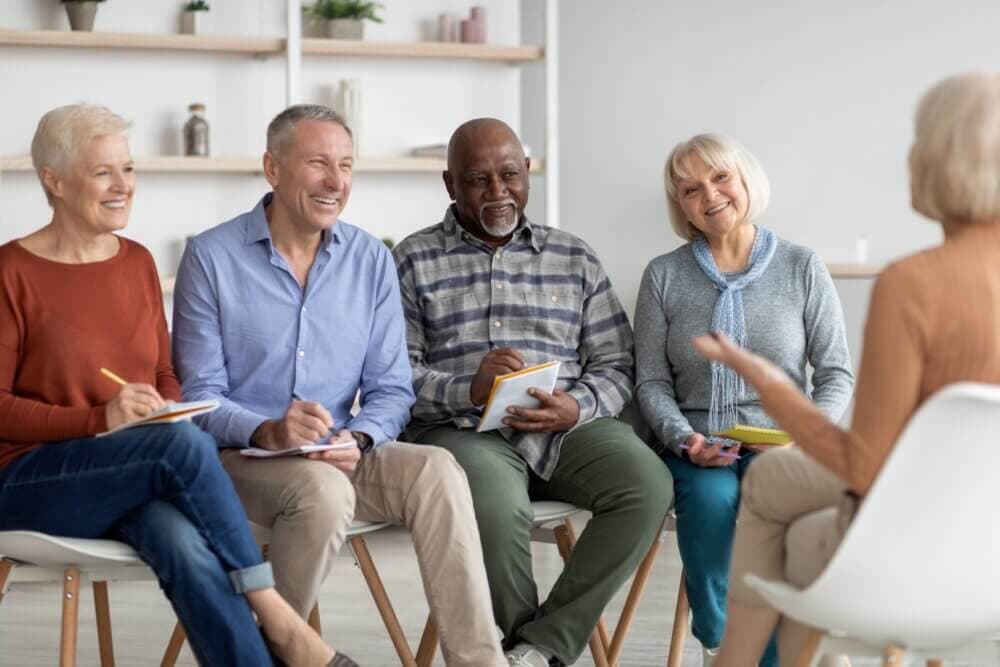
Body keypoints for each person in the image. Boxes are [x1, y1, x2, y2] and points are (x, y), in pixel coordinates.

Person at [0, 104, 345, 667]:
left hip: (126, 470)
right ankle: (278, 617)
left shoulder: (135, 262)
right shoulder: (10, 271)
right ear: (53, 181)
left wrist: (165, 407)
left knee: (180, 540)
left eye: (128, 169)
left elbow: (161, 371)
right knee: (184, 446)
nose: (122, 186)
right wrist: (101, 420)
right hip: (28, 481)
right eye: (103, 172)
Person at [171, 104, 507, 667]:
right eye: (318, 164)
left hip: (341, 451)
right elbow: (199, 398)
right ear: (272, 168)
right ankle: (273, 653)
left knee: (438, 470)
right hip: (242, 460)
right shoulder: (211, 257)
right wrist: (270, 429)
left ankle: (480, 663)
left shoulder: (371, 259)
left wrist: (364, 438)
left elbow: (391, 388)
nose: (336, 182)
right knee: (320, 493)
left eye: (346, 165)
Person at [689, 71, 1000, 667]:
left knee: (773, 500)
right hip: (987, 543)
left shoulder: (913, 286)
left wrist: (770, 384)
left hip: (909, 548)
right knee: (775, 483)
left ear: (943, 159)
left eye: (918, 140)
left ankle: (743, 659)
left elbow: (865, 466)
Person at [392, 118, 673, 667]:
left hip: (569, 425)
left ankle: (541, 647)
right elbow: (393, 372)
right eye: (478, 180)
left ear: (528, 174)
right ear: (450, 185)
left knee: (647, 485)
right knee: (494, 507)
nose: (499, 193)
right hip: (465, 430)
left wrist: (578, 406)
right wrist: (468, 389)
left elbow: (617, 362)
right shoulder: (410, 259)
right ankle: (516, 651)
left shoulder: (573, 257)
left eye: (511, 175)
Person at [633, 133, 854, 665]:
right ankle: (721, 641)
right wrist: (684, 440)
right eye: (690, 189)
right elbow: (651, 383)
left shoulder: (802, 266)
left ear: (745, 180)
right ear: (680, 205)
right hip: (697, 443)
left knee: (794, 515)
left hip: (785, 443)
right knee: (711, 502)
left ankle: (788, 650)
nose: (709, 195)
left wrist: (804, 439)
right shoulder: (663, 274)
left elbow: (836, 374)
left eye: (720, 177)